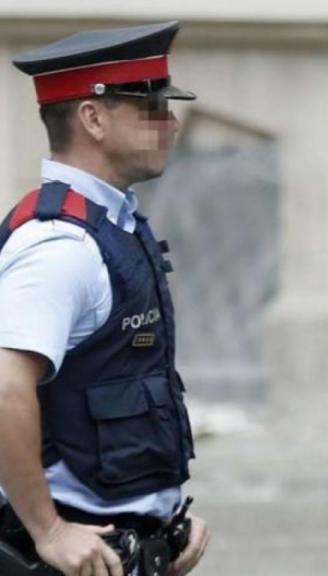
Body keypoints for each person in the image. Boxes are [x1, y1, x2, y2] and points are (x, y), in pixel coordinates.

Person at [0, 21, 209, 576]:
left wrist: (165, 517)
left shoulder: (115, 224)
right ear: (92, 118)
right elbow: (3, 386)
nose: (172, 121)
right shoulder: (60, 245)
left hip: (123, 549)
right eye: (152, 107)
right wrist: (49, 530)